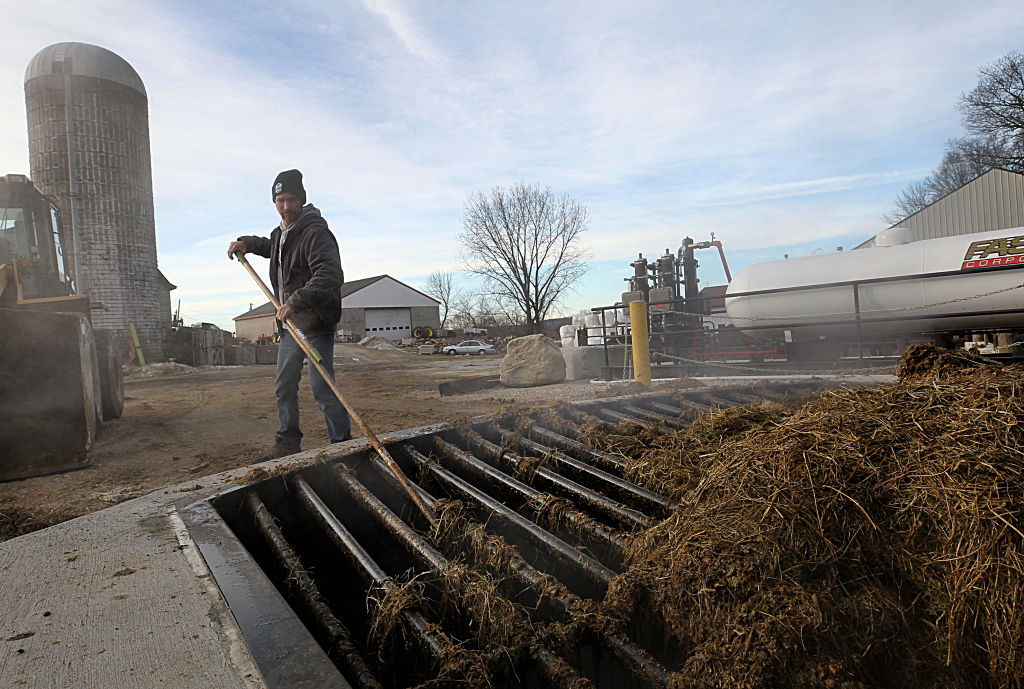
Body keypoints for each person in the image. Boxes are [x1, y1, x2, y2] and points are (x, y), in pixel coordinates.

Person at [228, 169, 351, 459]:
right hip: (289, 327)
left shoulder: (315, 232)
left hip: (314, 324)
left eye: (291, 200)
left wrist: (297, 300)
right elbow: (273, 247)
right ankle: (287, 444)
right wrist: (247, 243)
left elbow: (330, 274)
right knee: (284, 386)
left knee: (322, 388)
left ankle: (343, 446)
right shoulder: (282, 234)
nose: (285, 207)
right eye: (280, 200)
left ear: (302, 200)